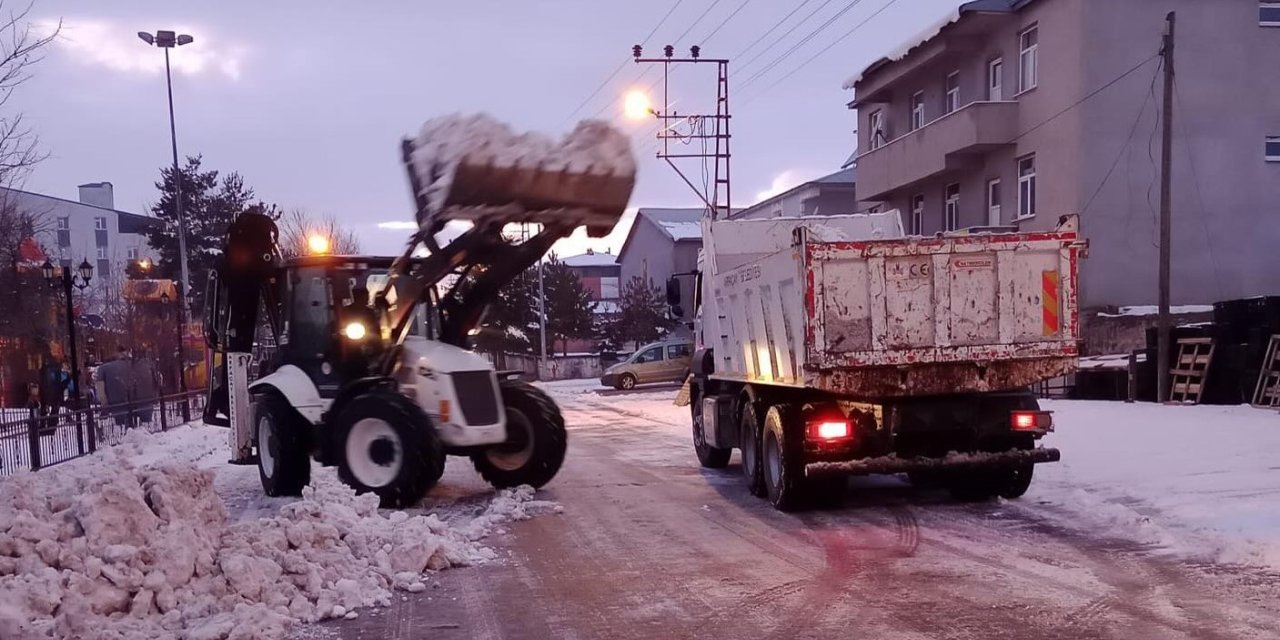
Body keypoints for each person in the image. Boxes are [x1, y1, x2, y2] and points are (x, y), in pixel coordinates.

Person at [95, 346, 133, 429]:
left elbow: (100, 389)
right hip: (135, 402)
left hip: (114, 403)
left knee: (118, 424)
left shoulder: (103, 368)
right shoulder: (134, 363)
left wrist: (104, 403)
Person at [130, 350, 161, 426]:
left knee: (134, 425)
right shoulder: (151, 366)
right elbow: (157, 382)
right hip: (149, 398)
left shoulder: (132, 367)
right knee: (147, 424)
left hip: (137, 399)